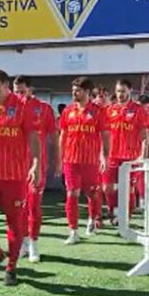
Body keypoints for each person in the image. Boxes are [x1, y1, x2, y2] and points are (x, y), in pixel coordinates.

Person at [0, 69, 41, 286]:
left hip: (15, 176)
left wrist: (36, 164)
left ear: (6, 86)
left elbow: (33, 136)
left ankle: (11, 268)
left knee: (15, 222)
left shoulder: (22, 107)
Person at [102, 79, 149, 225]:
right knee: (107, 187)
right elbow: (103, 135)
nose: (120, 94)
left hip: (131, 157)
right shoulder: (109, 110)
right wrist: (102, 155)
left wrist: (142, 155)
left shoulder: (138, 110)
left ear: (130, 91)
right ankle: (113, 210)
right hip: (112, 156)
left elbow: (144, 135)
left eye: (123, 91)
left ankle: (125, 217)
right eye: (118, 91)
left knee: (128, 189)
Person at [59, 77, 109, 245]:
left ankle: (92, 218)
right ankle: (73, 231)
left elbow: (105, 135)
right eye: (73, 90)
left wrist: (104, 156)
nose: (74, 93)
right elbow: (63, 135)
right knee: (72, 194)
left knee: (93, 194)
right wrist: (60, 158)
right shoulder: (67, 111)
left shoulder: (98, 111)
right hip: (71, 161)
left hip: (90, 161)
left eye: (78, 90)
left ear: (87, 92)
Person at [13, 75, 57, 263]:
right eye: (16, 92)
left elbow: (54, 138)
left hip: (36, 165)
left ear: (30, 90)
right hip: (15, 166)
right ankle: (21, 243)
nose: (19, 95)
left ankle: (33, 243)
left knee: (33, 207)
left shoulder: (44, 109)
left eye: (22, 91)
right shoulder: (10, 109)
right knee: (18, 208)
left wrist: (58, 162)